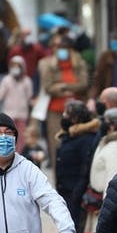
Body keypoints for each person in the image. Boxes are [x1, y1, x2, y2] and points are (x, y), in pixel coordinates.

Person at [55, 100, 96, 233]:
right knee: (75, 227)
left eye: (67, 114)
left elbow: (85, 167)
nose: (63, 117)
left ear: (77, 118)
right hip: (67, 189)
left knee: (79, 229)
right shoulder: (67, 136)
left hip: (76, 190)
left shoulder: (85, 139)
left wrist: (78, 190)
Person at [38, 34, 88, 179]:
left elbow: (83, 84)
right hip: (55, 110)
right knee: (56, 144)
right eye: (59, 48)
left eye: (65, 48)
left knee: (77, 142)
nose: (62, 51)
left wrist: (63, 86)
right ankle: (58, 176)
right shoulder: (49, 64)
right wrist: (64, 88)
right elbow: (47, 86)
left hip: (76, 112)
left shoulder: (79, 64)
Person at [0, 55, 33, 151]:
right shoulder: (7, 80)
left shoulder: (27, 81)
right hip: (9, 114)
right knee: (9, 137)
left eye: (18, 66)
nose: (15, 69)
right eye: (13, 66)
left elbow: (29, 97)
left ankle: (19, 156)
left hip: (22, 114)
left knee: (21, 138)